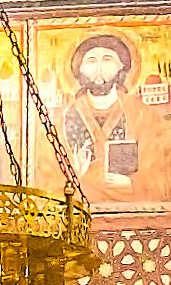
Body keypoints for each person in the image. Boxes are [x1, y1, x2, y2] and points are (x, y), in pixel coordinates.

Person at [58, 31, 150, 197]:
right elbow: (47, 174)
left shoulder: (142, 115)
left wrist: (132, 183)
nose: (99, 69)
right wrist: (75, 174)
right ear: (79, 68)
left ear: (122, 66)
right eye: (91, 61)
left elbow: (164, 172)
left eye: (107, 59)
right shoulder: (61, 119)